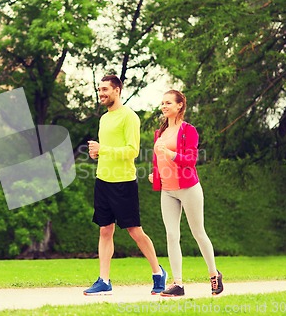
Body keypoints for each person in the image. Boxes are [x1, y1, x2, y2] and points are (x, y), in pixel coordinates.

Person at [84, 75, 167, 296]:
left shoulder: (129, 117)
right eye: (99, 90)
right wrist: (97, 154)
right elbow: (107, 149)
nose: (101, 93)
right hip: (103, 180)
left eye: (105, 89)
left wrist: (103, 149)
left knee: (134, 231)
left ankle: (158, 273)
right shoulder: (104, 119)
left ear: (117, 90)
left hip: (124, 182)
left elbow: (133, 151)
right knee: (104, 230)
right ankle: (104, 280)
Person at [148, 89, 224, 297]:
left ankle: (214, 275)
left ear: (180, 105)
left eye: (168, 103)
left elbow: (190, 159)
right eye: (162, 103)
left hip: (189, 188)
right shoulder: (160, 132)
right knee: (172, 235)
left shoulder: (188, 130)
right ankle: (178, 284)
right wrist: (155, 176)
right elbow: (158, 160)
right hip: (168, 190)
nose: (164, 106)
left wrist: (169, 153)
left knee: (198, 233)